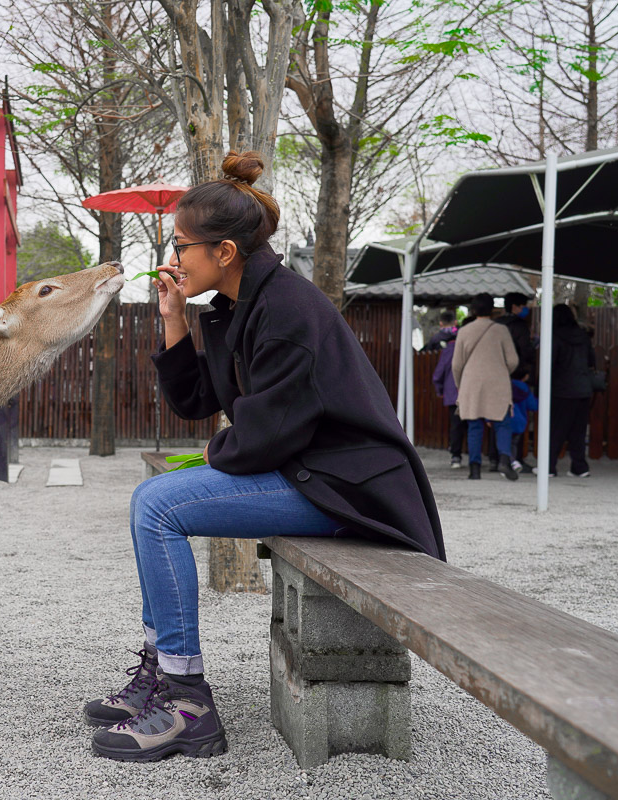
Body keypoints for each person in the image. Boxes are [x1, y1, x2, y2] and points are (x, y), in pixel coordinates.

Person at [83, 151, 445, 763]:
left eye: (182, 245)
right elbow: (199, 400)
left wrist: (218, 449)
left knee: (157, 507)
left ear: (224, 252)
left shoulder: (287, 309)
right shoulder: (237, 304)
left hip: (350, 488)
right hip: (308, 472)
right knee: (154, 500)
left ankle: (186, 699)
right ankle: (164, 675)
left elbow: (267, 436)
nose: (172, 260)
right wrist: (174, 322)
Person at [452, 293, 519, 481]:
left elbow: (456, 365)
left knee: (474, 425)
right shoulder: (501, 330)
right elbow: (513, 360)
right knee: (502, 423)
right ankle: (504, 460)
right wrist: (501, 370)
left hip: (472, 382)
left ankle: (475, 469)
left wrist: (461, 385)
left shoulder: (464, 331)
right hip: (498, 381)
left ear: (473, 310)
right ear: (492, 310)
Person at [549, 303, 594, 478]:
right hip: (583, 389)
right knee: (578, 430)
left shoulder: (554, 336)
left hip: (562, 389)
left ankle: (549, 467)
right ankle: (580, 467)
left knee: (556, 429)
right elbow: (591, 361)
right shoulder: (584, 336)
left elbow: (550, 363)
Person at [497, 291, 537, 471]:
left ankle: (498, 458)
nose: (525, 309)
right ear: (514, 307)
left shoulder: (496, 324)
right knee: (519, 416)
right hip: (517, 376)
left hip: (497, 377)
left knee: (498, 417)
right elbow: (525, 351)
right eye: (523, 306)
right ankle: (516, 458)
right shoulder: (519, 326)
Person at [431, 316, 471, 468]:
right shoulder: (472, 348)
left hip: (453, 392)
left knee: (456, 426)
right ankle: (477, 459)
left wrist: (440, 389)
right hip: (472, 392)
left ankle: (456, 456)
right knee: (474, 425)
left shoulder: (449, 349)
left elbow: (438, 373)